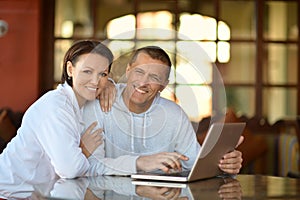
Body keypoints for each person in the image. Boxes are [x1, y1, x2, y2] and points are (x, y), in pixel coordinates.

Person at [83, 46, 243, 175]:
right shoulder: (99, 104)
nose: (143, 83)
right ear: (128, 70)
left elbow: (194, 165)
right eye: (139, 72)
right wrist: (140, 162)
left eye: (154, 78)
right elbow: (89, 166)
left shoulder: (175, 115)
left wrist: (223, 166)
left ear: (164, 85)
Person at [0, 40, 114, 186]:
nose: (95, 81)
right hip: (10, 193)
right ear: (70, 69)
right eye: (87, 71)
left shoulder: (84, 104)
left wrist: (110, 85)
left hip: (43, 192)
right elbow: (70, 170)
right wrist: (84, 149)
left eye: (102, 74)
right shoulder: (56, 106)